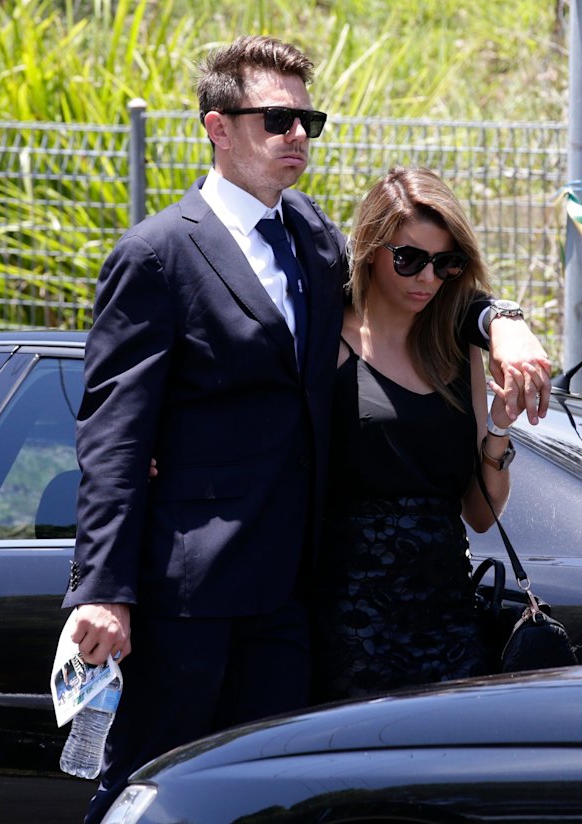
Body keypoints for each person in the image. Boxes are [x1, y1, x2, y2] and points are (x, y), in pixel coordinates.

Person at [61, 36, 550, 823]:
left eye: (307, 120)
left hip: (294, 595)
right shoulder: (156, 253)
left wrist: (507, 321)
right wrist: (104, 592)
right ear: (217, 128)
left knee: (269, 804)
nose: (298, 136)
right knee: (150, 791)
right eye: (277, 119)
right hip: (190, 593)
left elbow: (422, 272)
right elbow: (114, 438)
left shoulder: (312, 240)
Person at [312, 167, 525, 701]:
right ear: (370, 250)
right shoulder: (324, 341)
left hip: (449, 623)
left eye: (446, 264)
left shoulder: (456, 355)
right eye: (408, 259)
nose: (427, 279)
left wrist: (499, 429)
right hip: (348, 622)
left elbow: (479, 515)